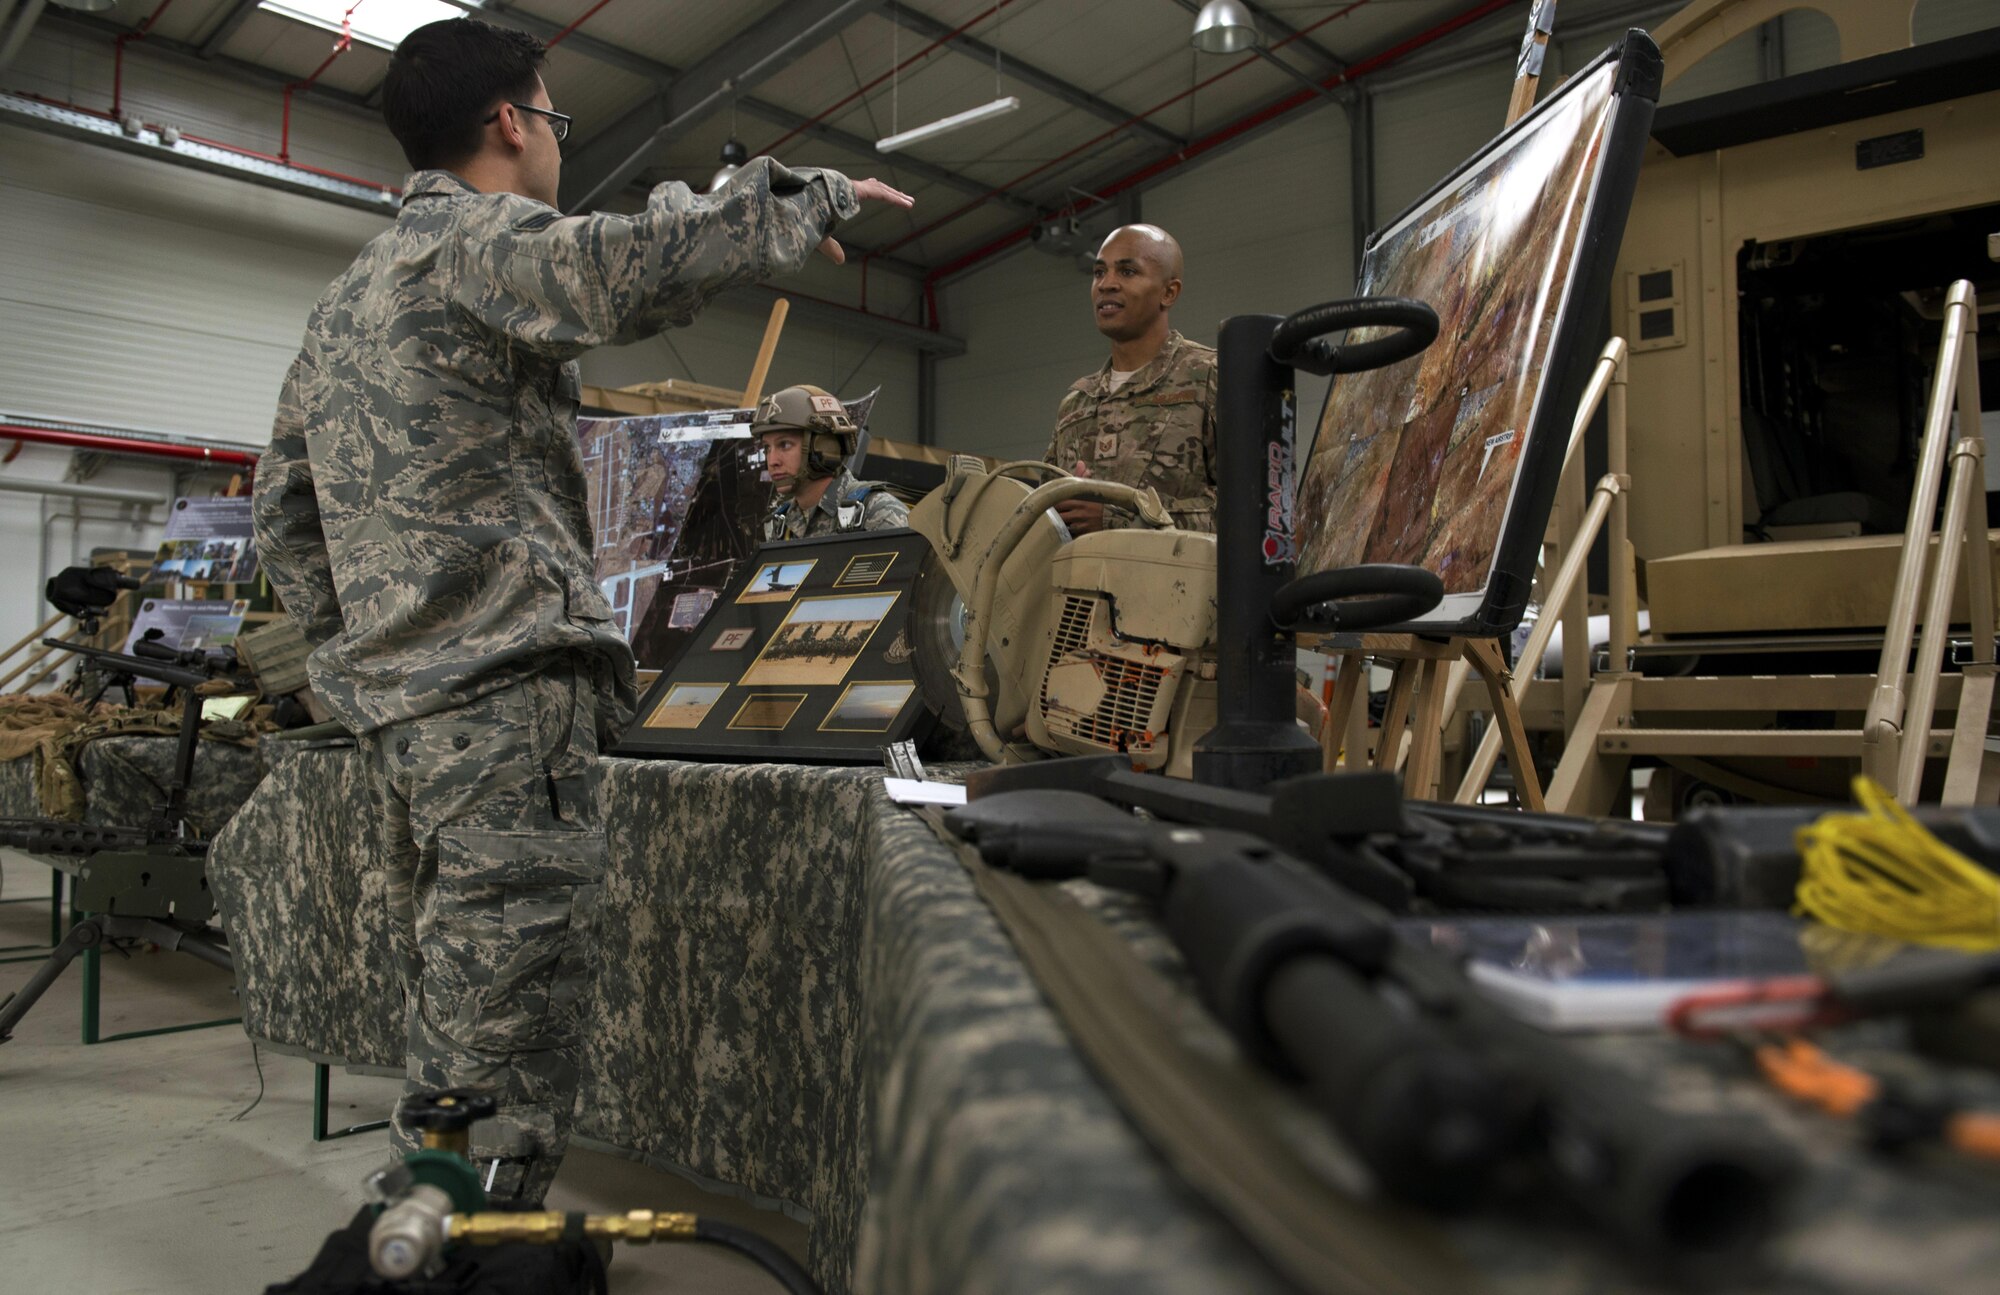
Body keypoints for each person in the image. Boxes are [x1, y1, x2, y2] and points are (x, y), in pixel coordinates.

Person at [251, 17, 912, 1205]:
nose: (553, 139)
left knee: (455, 997)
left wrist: (359, 657)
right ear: (511, 121)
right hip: (504, 701)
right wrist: (804, 200)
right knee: (507, 1017)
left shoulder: (348, 299)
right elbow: (627, 269)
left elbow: (283, 509)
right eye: (552, 118)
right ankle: (466, 1249)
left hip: (406, 715)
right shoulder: (478, 242)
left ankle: (429, 1221)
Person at [1043, 224, 1218, 536]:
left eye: (1127, 272)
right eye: (1099, 273)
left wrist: (1121, 518)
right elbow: (1044, 517)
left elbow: (1259, 514)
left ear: (1169, 292)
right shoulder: (1076, 403)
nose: (1106, 284)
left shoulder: (1210, 377)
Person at [755, 383, 910, 540]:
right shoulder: (779, 527)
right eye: (767, 448)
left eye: (785, 445)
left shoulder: (878, 513)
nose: (772, 461)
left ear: (823, 446)